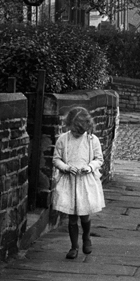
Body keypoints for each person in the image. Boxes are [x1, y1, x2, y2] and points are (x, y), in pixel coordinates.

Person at [52, 107, 105, 259]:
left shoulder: (91, 140)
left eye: (80, 132)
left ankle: (86, 237)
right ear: (69, 126)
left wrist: (89, 167)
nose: (77, 134)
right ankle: (74, 246)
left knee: (84, 215)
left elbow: (99, 159)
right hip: (69, 181)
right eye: (74, 131)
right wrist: (66, 168)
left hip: (85, 182)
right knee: (72, 216)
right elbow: (56, 159)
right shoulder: (63, 139)